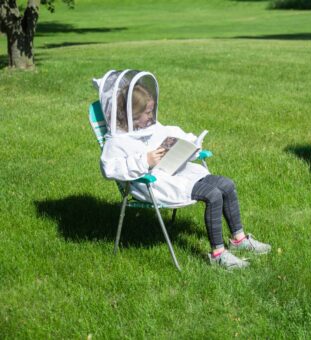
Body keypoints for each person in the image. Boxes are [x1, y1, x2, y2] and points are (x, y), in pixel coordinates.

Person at [93, 69, 271, 269]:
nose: (151, 116)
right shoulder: (117, 141)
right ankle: (218, 253)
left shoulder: (150, 127)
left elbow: (172, 133)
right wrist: (145, 160)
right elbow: (109, 169)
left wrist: (190, 146)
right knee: (213, 195)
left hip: (176, 172)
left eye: (152, 111)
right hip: (154, 184)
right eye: (147, 113)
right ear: (132, 114)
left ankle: (239, 239)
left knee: (227, 185)